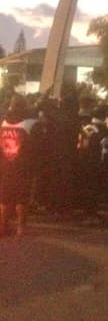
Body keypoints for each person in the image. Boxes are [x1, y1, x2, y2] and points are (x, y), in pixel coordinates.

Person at [0, 95, 37, 236]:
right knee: (22, 197)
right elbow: (37, 147)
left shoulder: (3, 123)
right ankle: (21, 228)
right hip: (23, 166)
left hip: (5, 164)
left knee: (4, 196)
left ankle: (2, 225)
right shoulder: (30, 124)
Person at [77, 104, 108, 225]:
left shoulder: (88, 128)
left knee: (88, 188)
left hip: (87, 162)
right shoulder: (105, 129)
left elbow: (82, 146)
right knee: (93, 189)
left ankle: (89, 213)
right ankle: (91, 213)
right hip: (97, 162)